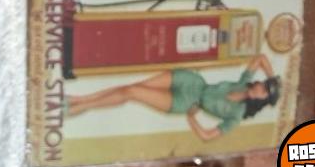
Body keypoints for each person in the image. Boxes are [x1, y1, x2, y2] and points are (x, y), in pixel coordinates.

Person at [67, 53, 281, 140]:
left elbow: (207, 136)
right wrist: (273, 80)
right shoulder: (244, 82)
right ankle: (81, 100)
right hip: (191, 81)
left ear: (260, 101)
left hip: (185, 103)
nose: (260, 87)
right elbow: (260, 58)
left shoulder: (236, 116)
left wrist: (191, 118)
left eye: (264, 91)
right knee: (130, 87)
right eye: (263, 84)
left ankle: (82, 105)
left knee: (132, 93)